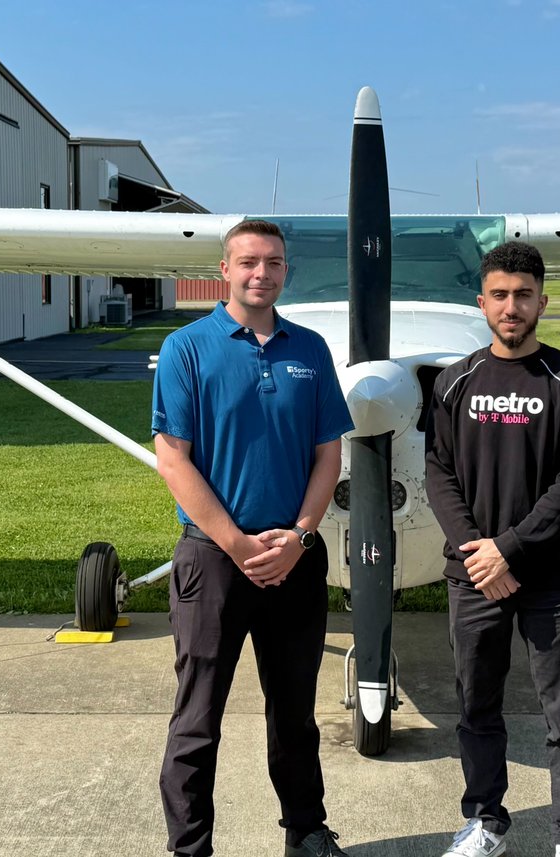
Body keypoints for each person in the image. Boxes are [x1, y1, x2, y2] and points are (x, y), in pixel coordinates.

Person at [152, 220, 354, 857]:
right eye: (248, 261)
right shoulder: (187, 347)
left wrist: (299, 536)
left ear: (285, 271)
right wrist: (238, 545)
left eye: (272, 262)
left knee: (294, 713)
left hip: (295, 557)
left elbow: (329, 453)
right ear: (224, 269)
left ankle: (306, 830)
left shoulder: (312, 349)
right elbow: (173, 458)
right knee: (197, 718)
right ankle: (190, 848)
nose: (260, 273)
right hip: (213, 559)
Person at [425, 241, 560, 857]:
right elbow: (438, 474)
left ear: (542, 302)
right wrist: (481, 554)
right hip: (475, 575)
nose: (511, 306)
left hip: (549, 577)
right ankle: (484, 821)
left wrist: (511, 552)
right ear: (482, 302)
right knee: (476, 705)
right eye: (499, 295)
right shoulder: (454, 383)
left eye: (523, 295)